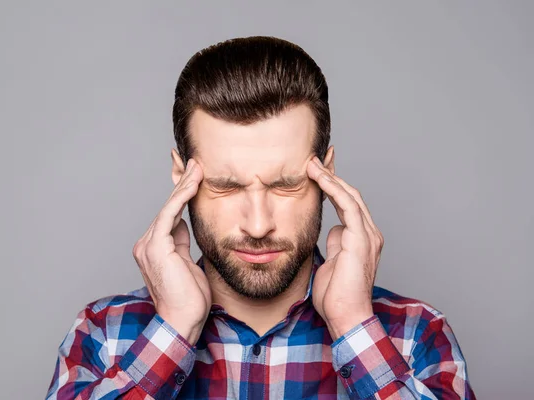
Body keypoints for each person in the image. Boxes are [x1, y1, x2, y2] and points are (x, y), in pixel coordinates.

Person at [45, 36, 476, 400]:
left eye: (285, 185)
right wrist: (173, 328)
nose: (257, 225)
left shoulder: (417, 335)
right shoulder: (104, 336)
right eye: (226, 187)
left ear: (327, 175)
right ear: (182, 179)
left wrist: (352, 324)